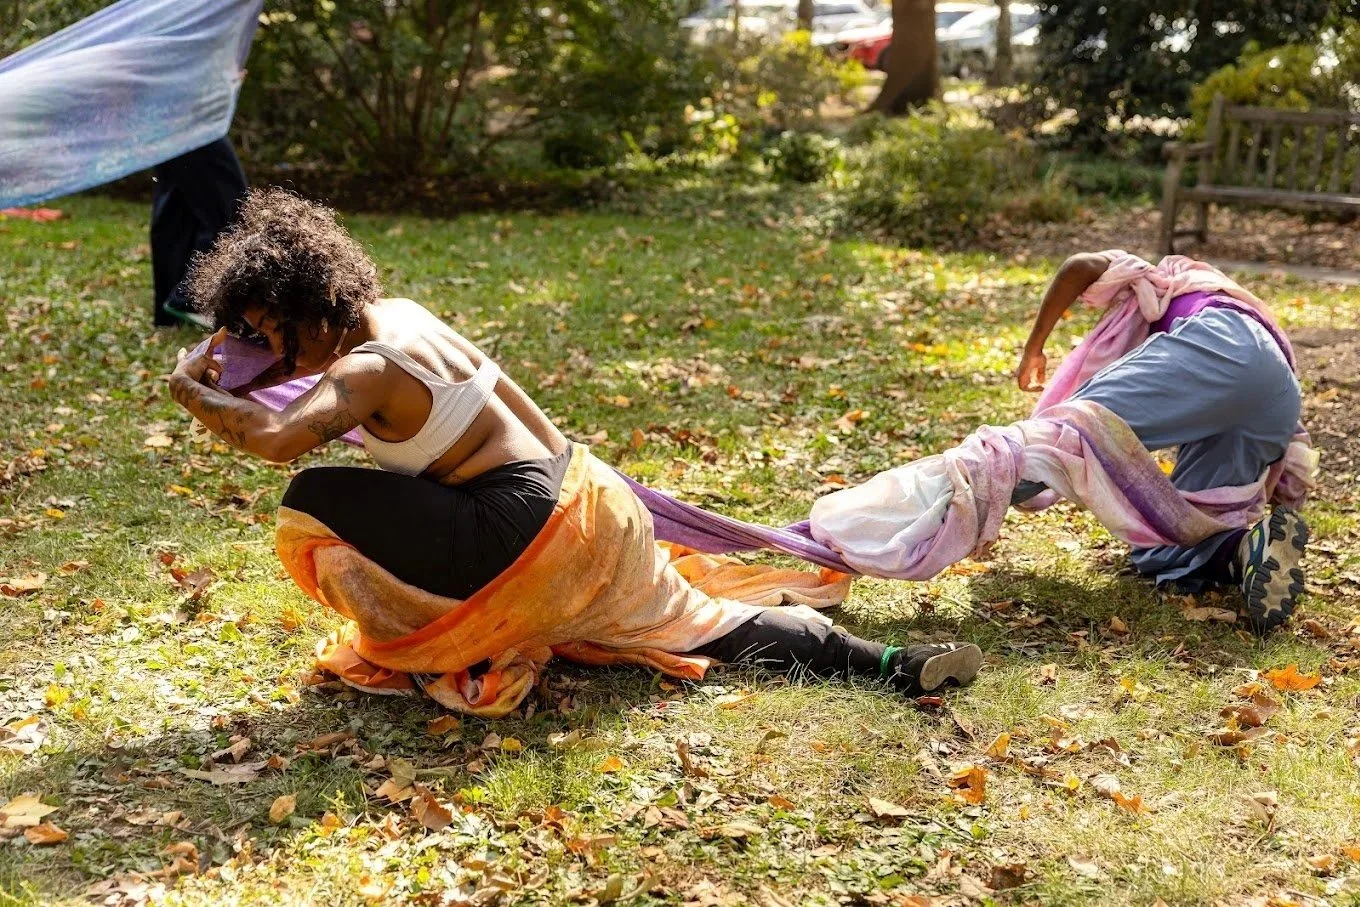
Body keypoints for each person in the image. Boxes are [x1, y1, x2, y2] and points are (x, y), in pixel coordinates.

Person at [166, 188, 982, 712]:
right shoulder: (397, 317)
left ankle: (451, 637)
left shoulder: (367, 371)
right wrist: (247, 363)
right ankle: (889, 664)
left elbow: (276, 441)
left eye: (253, 326)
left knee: (309, 505)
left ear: (309, 305)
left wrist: (190, 387)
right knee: (703, 622)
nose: (244, 343)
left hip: (536, 532)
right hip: (595, 500)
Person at [1011, 252, 1308, 631]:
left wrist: (1033, 347)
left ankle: (977, 485)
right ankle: (1250, 550)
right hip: (1277, 392)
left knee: (1070, 432)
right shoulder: (1214, 298)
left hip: (1221, 348)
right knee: (1177, 535)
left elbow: (1080, 266)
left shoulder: (1154, 278)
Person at [152, 137, 248, 328]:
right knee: (234, 212)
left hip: (166, 127)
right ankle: (190, 298)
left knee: (177, 211)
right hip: (196, 126)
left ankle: (170, 317)